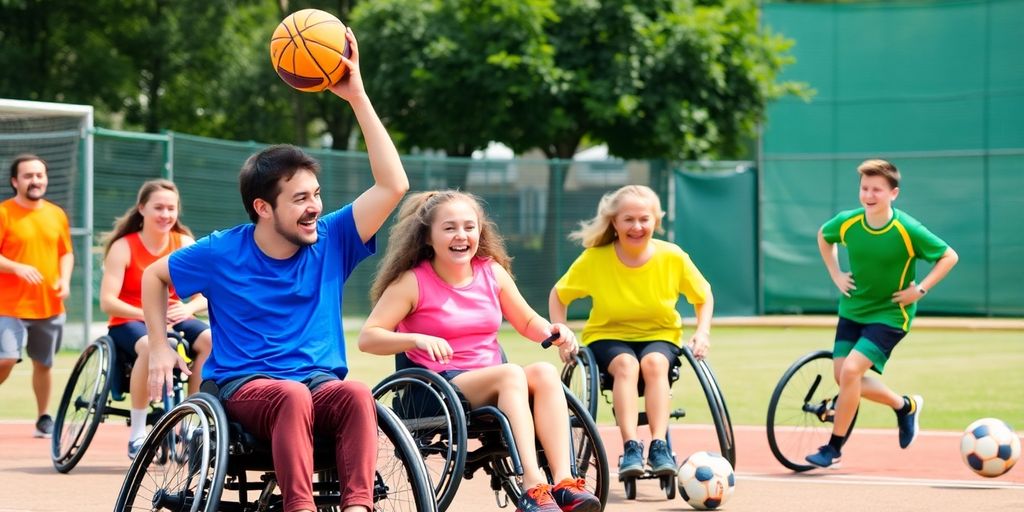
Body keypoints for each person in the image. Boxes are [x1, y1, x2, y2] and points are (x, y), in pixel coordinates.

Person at [143, 28, 408, 512]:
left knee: (353, 392)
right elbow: (154, 275)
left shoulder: (331, 238)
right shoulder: (222, 251)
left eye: (317, 196)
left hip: (319, 385)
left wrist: (357, 96)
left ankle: (358, 507)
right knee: (290, 395)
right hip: (248, 387)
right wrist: (159, 345)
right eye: (300, 199)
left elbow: (393, 184)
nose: (314, 208)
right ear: (263, 208)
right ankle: (299, 507)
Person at [358, 190, 602, 512]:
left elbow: (527, 320)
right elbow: (368, 338)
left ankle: (564, 482)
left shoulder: (491, 272)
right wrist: (415, 339)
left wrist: (551, 331)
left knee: (543, 372)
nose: (462, 236)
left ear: (480, 231)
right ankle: (532, 486)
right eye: (449, 228)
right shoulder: (411, 282)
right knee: (511, 374)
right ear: (428, 236)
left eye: (469, 227)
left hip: (494, 380)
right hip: (437, 386)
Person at [548, 184, 714, 480]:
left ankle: (659, 445)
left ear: (655, 221)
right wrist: (563, 336)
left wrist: (703, 332)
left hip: (659, 335)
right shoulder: (595, 258)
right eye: (628, 219)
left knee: (654, 363)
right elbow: (559, 295)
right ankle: (631, 447)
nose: (637, 227)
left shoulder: (672, 256)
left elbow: (703, 295)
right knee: (626, 365)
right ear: (614, 222)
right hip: (607, 336)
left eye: (644, 219)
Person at [804, 159, 958, 469]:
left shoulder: (907, 229)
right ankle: (905, 406)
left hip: (890, 315)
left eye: (877, 189)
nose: (869, 195)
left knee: (849, 373)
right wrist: (835, 273)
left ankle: (833, 448)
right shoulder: (848, 223)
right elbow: (824, 235)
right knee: (845, 377)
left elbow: (948, 256)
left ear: (893, 193)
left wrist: (921, 289)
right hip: (852, 309)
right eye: (864, 188)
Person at [99, 179, 213, 459]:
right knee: (151, 346)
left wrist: (188, 309)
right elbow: (107, 301)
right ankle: (138, 433)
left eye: (171, 208)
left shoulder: (184, 243)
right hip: (129, 321)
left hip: (175, 316)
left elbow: (207, 296)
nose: (165, 214)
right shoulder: (123, 247)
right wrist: (150, 315)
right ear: (142, 209)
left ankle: (188, 424)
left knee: (210, 340)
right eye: (158, 207)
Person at [0, 154, 74, 438]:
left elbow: (65, 252)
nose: (35, 181)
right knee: (6, 358)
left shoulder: (56, 214)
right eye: (29, 176)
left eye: (39, 175)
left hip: (49, 304)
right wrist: (16, 267)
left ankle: (43, 417)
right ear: (15, 181)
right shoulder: (4, 213)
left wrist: (64, 281)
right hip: (9, 305)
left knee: (44, 364)